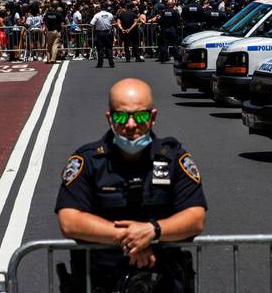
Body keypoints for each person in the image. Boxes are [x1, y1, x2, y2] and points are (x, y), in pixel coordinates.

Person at [55, 78, 207, 292]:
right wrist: (130, 239)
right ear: (109, 118)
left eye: (141, 116)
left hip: (163, 283)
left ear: (153, 117)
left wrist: (153, 231)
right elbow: (69, 221)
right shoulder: (87, 161)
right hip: (100, 283)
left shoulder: (174, 159)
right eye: (121, 116)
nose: (131, 125)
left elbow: (195, 217)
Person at [90, 3, 115, 68]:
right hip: (108, 33)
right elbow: (112, 22)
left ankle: (100, 64)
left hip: (99, 33)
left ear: (101, 7)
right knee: (109, 48)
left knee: (100, 49)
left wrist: (97, 26)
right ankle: (111, 63)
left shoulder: (97, 15)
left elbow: (91, 24)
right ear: (107, 8)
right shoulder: (110, 15)